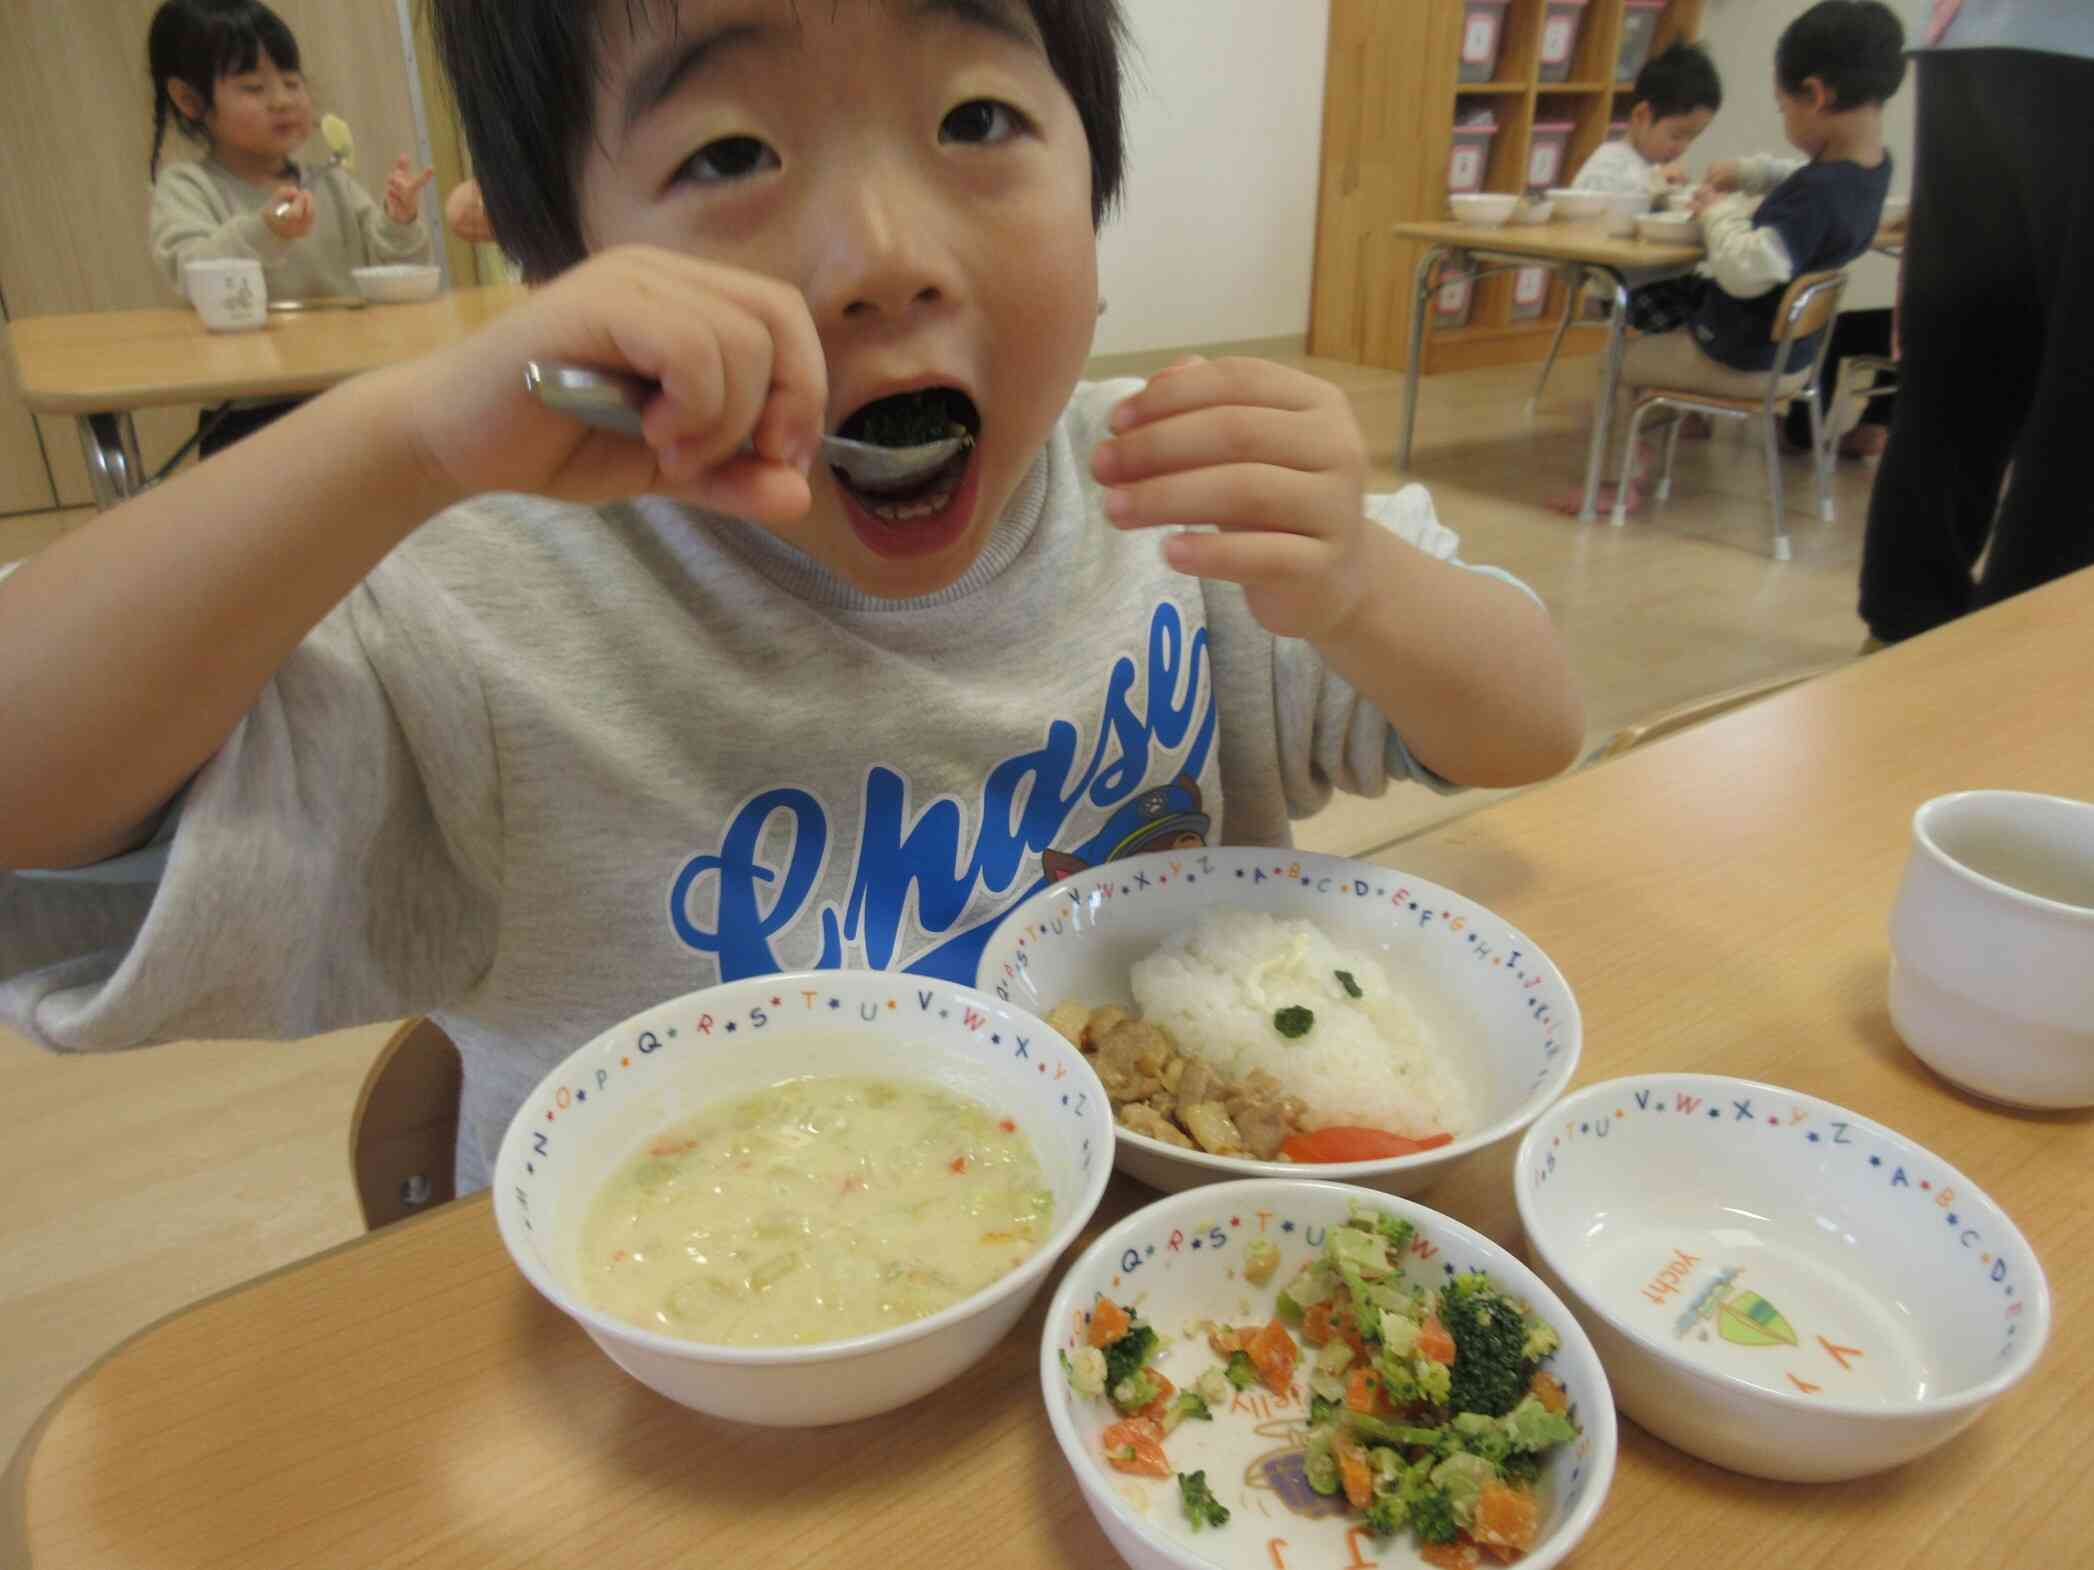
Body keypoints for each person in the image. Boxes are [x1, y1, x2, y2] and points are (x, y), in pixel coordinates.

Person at [0, 0, 1582, 1194]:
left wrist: (1362, 582)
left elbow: (1531, 724)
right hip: (716, 1379)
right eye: (731, 153)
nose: (882, 255)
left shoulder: (1170, 500)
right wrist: (399, 441)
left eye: (974, 121)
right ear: (566, 256)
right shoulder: (483, 629)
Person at [1595, 1, 1905, 514]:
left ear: (1816, 94)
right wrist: (1751, 173)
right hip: (1790, 356)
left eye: (1784, 107)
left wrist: (1721, 213)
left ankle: (1615, 480)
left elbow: (1743, 272)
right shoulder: (1869, 172)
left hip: (1740, 351)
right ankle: (1672, 425)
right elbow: (1804, 179)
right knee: (1658, 302)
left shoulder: (1818, 194)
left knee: (1617, 355)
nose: (1783, 119)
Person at [1858, 0, 2094, 646]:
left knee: (1961, 369)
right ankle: (2013, 661)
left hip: (1970, 44)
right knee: (2078, 405)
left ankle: (1900, 625)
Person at [146, 0, 436, 454]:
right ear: (189, 99)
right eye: (252, 86)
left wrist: (399, 222)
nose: (282, 100)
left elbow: (393, 269)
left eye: (291, 81)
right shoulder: (188, 186)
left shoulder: (332, 181)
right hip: (250, 410)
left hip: (350, 388)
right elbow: (192, 272)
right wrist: (265, 230)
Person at [1571, 42, 1723, 336]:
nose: (1681, 147)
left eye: (1691, 138)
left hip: (1664, 279)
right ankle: (1653, 375)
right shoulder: (1610, 159)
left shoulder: (1649, 166)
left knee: (1722, 306)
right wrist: (1654, 183)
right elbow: (1596, 211)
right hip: (1627, 287)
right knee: (1696, 331)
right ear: (1641, 116)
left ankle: (1662, 376)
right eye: (1676, 135)